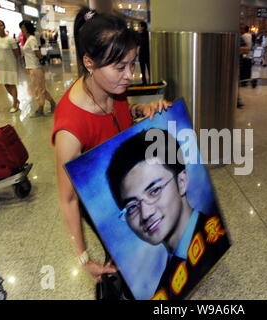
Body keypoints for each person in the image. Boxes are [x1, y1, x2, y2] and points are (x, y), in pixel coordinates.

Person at [51, 7, 171, 298]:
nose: (130, 75)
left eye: (132, 63)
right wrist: (83, 258)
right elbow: (68, 199)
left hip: (128, 179)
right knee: (123, 261)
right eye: (120, 67)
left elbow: (116, 116)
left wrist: (142, 110)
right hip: (103, 202)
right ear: (89, 63)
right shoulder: (70, 128)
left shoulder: (114, 87)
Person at [106, 129, 230, 300]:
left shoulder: (216, 239)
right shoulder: (165, 287)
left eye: (154, 190)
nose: (146, 213)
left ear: (182, 181)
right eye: (132, 206)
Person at [19, 20, 56, 117]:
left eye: (23, 27)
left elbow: (37, 53)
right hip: (31, 67)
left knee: (38, 89)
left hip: (35, 67)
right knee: (41, 88)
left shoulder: (31, 39)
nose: (22, 29)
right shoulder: (27, 39)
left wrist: (41, 57)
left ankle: (40, 109)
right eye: (21, 27)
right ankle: (52, 103)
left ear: (27, 28)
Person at [0, 20, 20, 113]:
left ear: (4, 26)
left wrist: (14, 63)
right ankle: (16, 100)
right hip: (0, 65)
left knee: (11, 84)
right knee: (5, 84)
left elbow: (16, 53)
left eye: (1, 25)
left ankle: (14, 103)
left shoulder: (10, 39)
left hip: (10, 64)